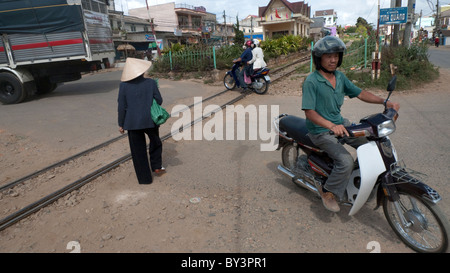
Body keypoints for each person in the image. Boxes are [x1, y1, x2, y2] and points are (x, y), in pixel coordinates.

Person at [301, 36, 400, 212]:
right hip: (320, 131)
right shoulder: (312, 81)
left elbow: (360, 93)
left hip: (341, 125)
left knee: (372, 144)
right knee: (345, 161)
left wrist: (384, 102)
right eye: (328, 56)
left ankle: (358, 179)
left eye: (336, 56)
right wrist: (331, 126)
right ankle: (328, 191)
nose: (333, 60)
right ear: (319, 58)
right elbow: (309, 112)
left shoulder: (339, 77)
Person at [117, 58, 166, 184]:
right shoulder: (150, 83)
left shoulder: (123, 86)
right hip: (150, 120)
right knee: (155, 142)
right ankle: (156, 166)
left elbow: (121, 106)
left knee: (138, 151)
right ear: (141, 71)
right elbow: (159, 100)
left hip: (132, 123)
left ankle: (145, 179)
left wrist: (121, 124)